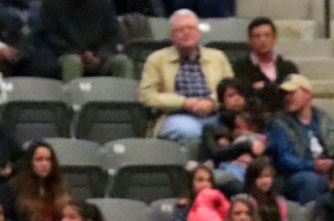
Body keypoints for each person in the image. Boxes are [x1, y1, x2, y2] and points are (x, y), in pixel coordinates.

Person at [139, 8, 234, 144]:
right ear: (172, 35)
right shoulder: (156, 59)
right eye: (180, 29)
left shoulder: (217, 57)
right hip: (176, 116)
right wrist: (185, 102)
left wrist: (210, 102)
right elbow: (147, 96)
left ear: (199, 33)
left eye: (191, 28)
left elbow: (231, 91)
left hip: (215, 114)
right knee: (191, 131)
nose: (186, 32)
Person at [267, 73, 334, 204]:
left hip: (331, 170)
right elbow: (284, 159)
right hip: (294, 175)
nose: (287, 98)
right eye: (285, 94)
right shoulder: (279, 124)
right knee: (311, 181)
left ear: (307, 94)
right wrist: (313, 165)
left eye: (292, 93)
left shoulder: (328, 121)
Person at [37, 0, 133, 83]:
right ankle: (72, 102)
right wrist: (80, 55)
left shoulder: (104, 4)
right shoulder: (51, 5)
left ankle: (125, 103)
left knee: (122, 62)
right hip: (66, 54)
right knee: (73, 62)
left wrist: (100, 56)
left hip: (99, 57)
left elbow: (114, 36)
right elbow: (50, 37)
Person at [9, 140, 68, 221]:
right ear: (30, 163)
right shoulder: (13, 189)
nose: (44, 164)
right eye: (39, 160)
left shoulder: (60, 189)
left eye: (48, 160)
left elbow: (72, 217)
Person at [232, 16, 299, 114]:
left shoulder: (288, 67)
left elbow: (293, 94)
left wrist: (264, 87)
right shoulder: (240, 67)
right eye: (257, 36)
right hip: (255, 118)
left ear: (275, 38)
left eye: (267, 35)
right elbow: (245, 94)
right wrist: (277, 88)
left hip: (286, 118)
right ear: (250, 40)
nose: (262, 40)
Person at [244, 156, 293, 221]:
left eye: (268, 176)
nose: (265, 181)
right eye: (260, 177)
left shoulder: (277, 200)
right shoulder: (246, 200)